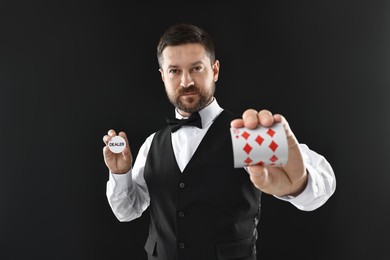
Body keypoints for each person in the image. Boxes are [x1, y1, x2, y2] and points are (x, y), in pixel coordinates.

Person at [102, 23, 336, 260]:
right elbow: (127, 211)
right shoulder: (152, 144)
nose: (186, 82)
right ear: (163, 76)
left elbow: (323, 183)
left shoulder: (245, 134)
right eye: (174, 71)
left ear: (214, 70)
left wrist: (299, 184)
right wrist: (120, 174)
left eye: (196, 68)